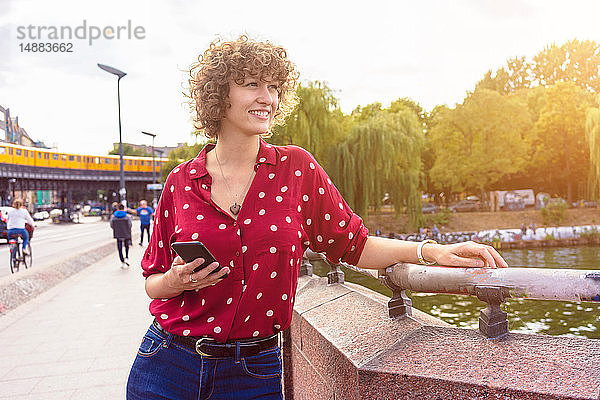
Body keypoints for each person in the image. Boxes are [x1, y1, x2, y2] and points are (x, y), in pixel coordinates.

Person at [126, 35, 509, 400]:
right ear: (218, 96)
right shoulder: (181, 181)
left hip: (251, 373)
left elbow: (354, 246)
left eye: (274, 87)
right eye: (253, 84)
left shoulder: (296, 169)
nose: (267, 98)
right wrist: (175, 280)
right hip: (167, 363)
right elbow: (152, 282)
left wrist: (431, 252)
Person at [110, 203, 132, 269]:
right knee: (126, 245)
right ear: (123, 208)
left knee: (119, 248)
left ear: (117, 208)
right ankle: (127, 257)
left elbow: (111, 225)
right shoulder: (127, 216)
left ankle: (122, 261)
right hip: (126, 233)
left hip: (118, 233)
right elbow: (130, 225)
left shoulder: (113, 217)